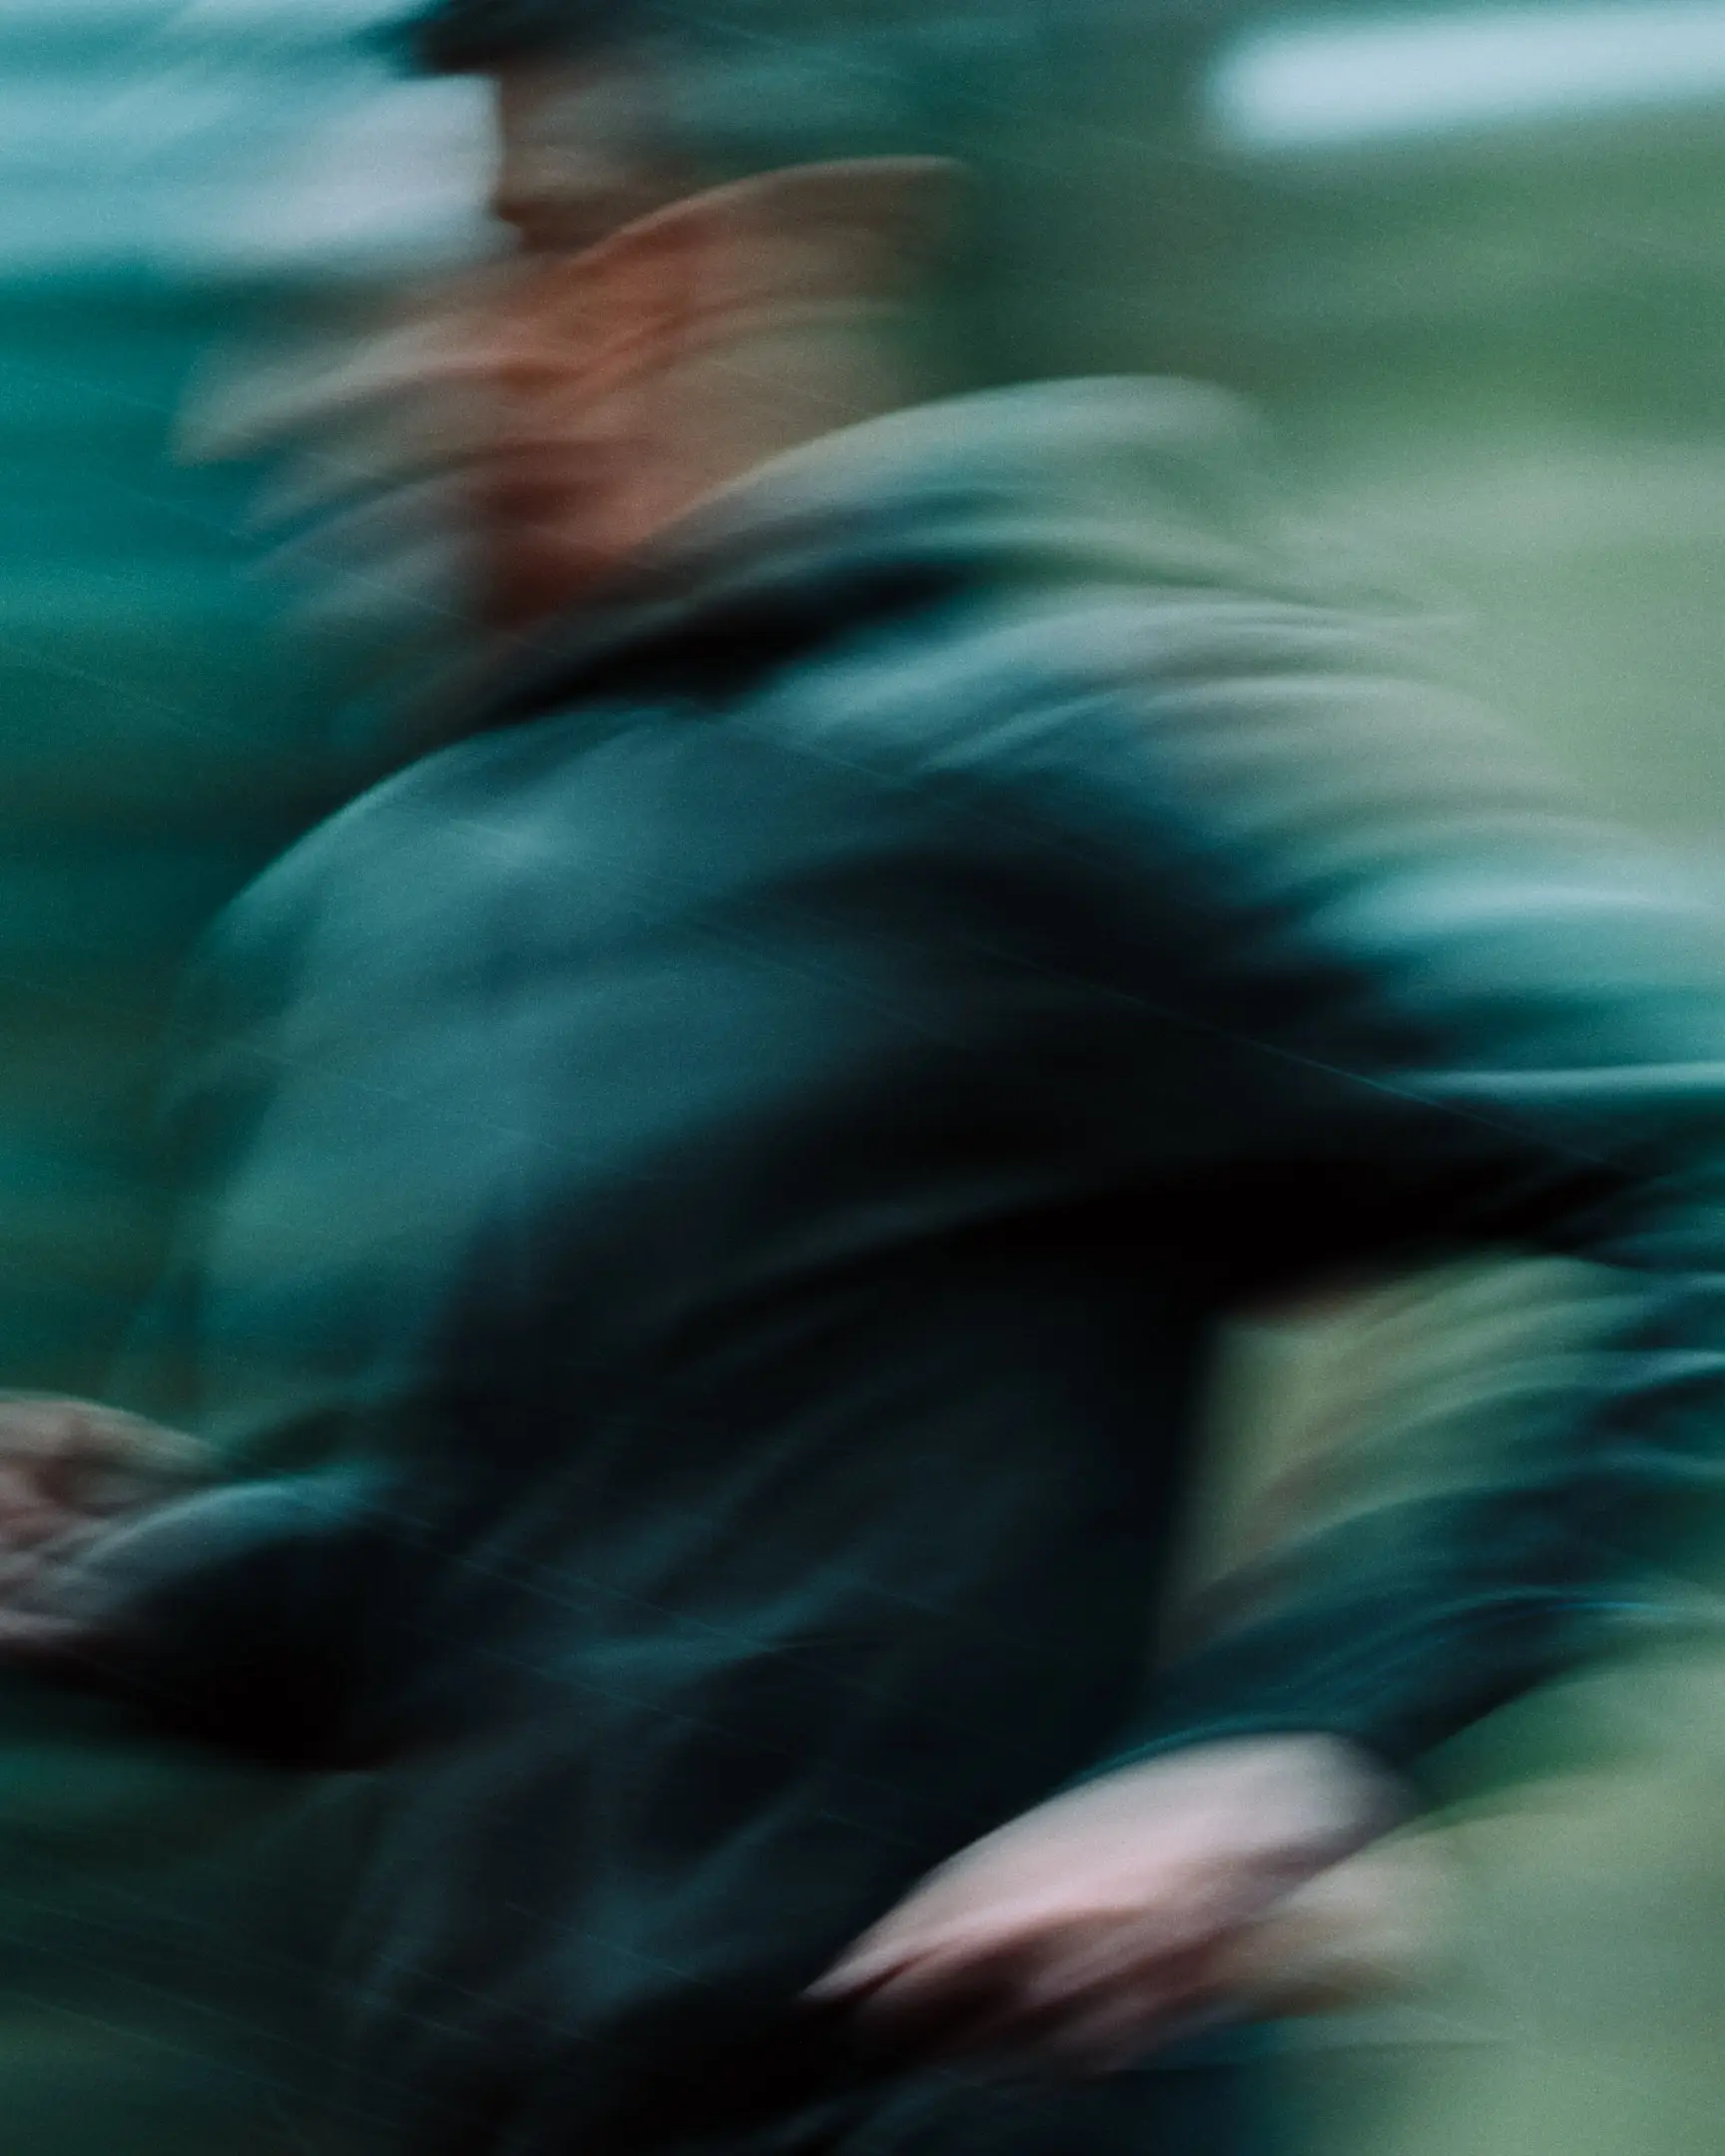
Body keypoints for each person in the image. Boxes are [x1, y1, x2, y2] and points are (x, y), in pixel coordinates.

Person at [7, 3, 1725, 2152]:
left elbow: (1690, 1174)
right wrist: (128, 1583)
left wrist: (1303, 1746)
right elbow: (522, 1590)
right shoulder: (383, 904)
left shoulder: (1001, 770)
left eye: (363, 317)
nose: (277, 408)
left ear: (650, 294)